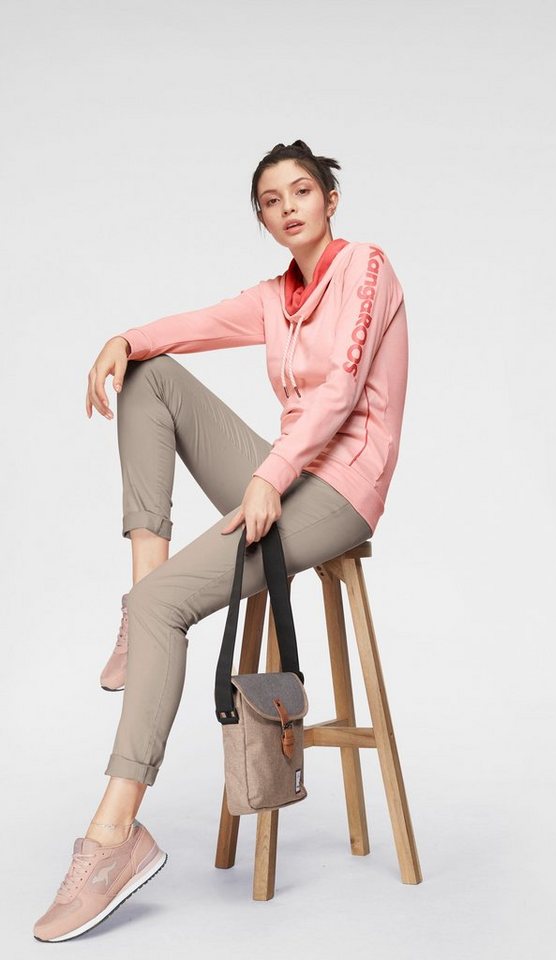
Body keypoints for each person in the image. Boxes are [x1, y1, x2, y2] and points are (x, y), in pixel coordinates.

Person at [33, 139, 409, 942]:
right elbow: (196, 325)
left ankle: (115, 836)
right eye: (271, 201)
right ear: (263, 219)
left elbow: (341, 390)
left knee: (168, 607)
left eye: (301, 191)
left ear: (330, 199)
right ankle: (142, 603)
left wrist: (270, 475)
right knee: (150, 374)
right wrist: (123, 337)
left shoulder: (366, 266)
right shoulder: (275, 297)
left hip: (340, 489)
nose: (288, 208)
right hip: (287, 473)